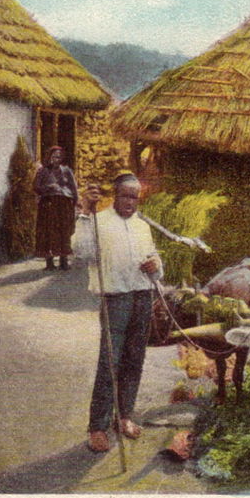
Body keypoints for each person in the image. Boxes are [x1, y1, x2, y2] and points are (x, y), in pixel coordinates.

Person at [72, 173, 163, 453]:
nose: (130, 202)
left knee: (135, 360)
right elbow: (81, 253)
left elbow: (156, 264)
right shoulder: (99, 222)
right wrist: (86, 212)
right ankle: (98, 427)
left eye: (135, 197)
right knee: (110, 363)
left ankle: (124, 416)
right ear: (115, 195)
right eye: (125, 196)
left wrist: (155, 265)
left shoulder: (141, 226)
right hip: (115, 299)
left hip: (142, 297)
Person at [34, 145, 78, 271]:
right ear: (49, 158)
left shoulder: (67, 171)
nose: (56, 159)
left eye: (59, 157)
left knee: (64, 231)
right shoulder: (42, 171)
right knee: (48, 232)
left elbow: (73, 187)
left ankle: (64, 261)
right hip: (48, 205)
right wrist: (48, 187)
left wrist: (74, 200)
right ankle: (49, 262)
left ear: (61, 158)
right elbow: (36, 186)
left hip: (63, 204)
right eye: (54, 157)